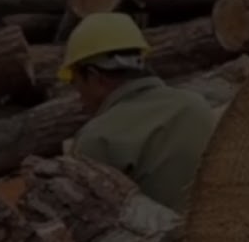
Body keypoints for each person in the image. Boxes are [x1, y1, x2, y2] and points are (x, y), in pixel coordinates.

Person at [58, 12, 217, 212]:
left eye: (75, 83)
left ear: (93, 76)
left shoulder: (98, 138)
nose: (79, 97)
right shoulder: (196, 105)